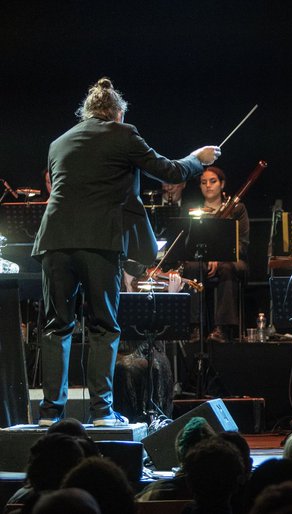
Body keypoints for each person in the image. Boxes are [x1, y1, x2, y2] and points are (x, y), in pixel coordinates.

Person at [32, 77, 219, 427]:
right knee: (105, 325)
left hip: (54, 241)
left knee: (57, 326)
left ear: (87, 113)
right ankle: (102, 413)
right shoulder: (124, 133)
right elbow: (170, 171)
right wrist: (198, 158)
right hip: (99, 241)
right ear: (117, 113)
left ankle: (49, 414)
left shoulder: (58, 142)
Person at [181, 166, 248, 343]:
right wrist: (206, 255)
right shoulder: (194, 211)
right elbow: (188, 244)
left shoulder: (236, 209)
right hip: (201, 259)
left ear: (222, 184)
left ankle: (223, 329)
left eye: (213, 181)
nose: (208, 186)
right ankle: (195, 327)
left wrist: (220, 256)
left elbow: (242, 244)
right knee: (193, 267)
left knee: (227, 268)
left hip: (230, 259)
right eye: (203, 182)